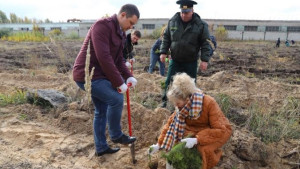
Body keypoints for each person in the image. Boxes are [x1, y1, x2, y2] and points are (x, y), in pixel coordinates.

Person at [72, 4, 140, 156]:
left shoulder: (121, 34)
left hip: (100, 76)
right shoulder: (101, 26)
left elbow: (118, 60)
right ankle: (116, 135)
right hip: (87, 75)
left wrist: (129, 75)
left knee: (101, 110)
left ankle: (101, 148)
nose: (131, 27)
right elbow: (105, 58)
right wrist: (119, 82)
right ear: (122, 15)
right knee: (116, 98)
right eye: (130, 23)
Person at [148, 73, 232, 169]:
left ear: (187, 98)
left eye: (178, 103)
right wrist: (159, 144)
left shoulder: (209, 103)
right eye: (174, 103)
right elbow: (170, 124)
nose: (177, 106)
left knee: (201, 150)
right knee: (175, 148)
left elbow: (220, 129)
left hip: (217, 131)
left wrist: (197, 139)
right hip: (193, 131)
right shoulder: (181, 108)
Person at [159, 0, 212, 108]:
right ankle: (165, 103)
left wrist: (204, 59)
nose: (184, 15)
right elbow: (166, 38)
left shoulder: (201, 25)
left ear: (192, 10)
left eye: (186, 12)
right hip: (175, 60)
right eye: (182, 12)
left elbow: (205, 43)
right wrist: (163, 52)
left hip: (190, 62)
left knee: (190, 85)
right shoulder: (172, 22)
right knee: (169, 81)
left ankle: (191, 105)